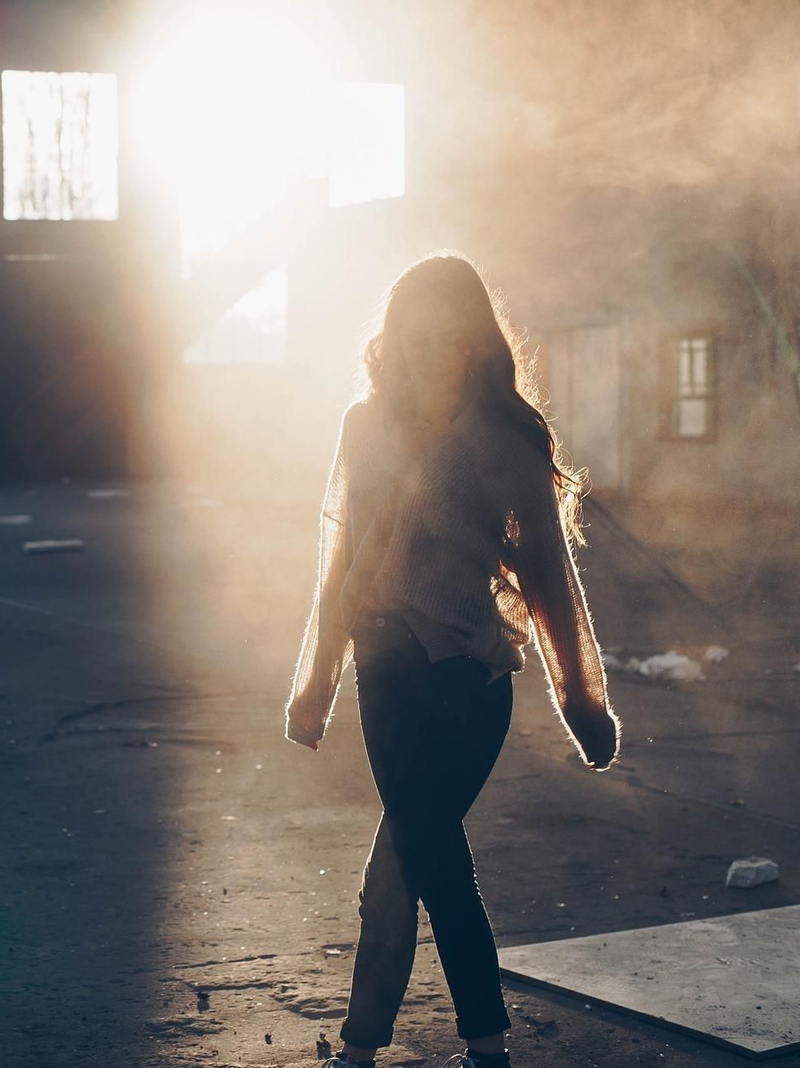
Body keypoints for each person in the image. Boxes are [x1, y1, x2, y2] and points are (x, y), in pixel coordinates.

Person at [282, 253, 620, 1068]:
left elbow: (549, 579)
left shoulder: (508, 440)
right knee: (422, 857)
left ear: (475, 346)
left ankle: (376, 1048)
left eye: (442, 338)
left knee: (411, 855)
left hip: (470, 682)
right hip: (387, 679)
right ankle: (480, 1049)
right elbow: (341, 562)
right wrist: (317, 683)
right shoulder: (364, 430)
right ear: (389, 341)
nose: (421, 353)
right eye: (409, 337)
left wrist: (582, 705)